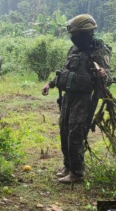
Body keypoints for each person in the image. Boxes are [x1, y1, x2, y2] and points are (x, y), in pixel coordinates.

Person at [42, 14, 111, 184]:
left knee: (75, 133)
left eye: (75, 35)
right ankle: (68, 166)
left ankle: (77, 173)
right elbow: (65, 71)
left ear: (85, 34)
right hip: (68, 97)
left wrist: (103, 74)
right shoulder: (74, 50)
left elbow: (108, 75)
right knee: (64, 130)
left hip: (84, 98)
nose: (73, 38)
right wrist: (50, 84)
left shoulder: (98, 51)